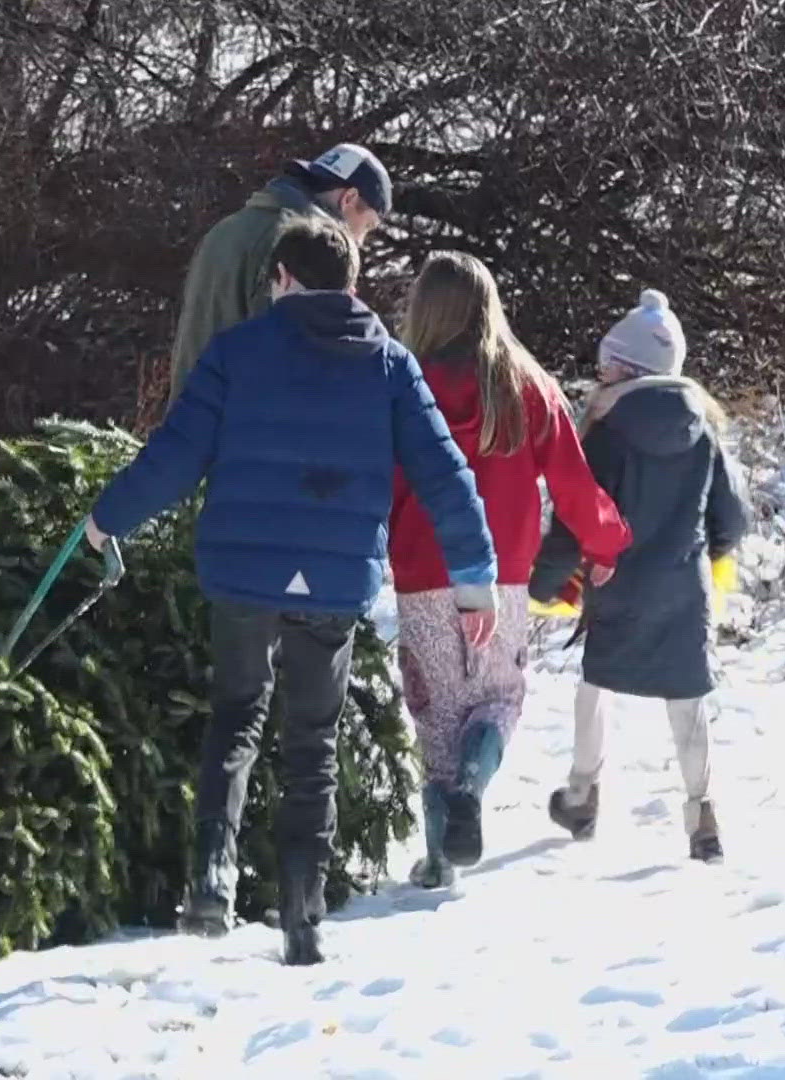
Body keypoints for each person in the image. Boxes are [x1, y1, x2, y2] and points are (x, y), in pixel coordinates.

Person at [84, 216, 499, 966]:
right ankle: (302, 922)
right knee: (312, 744)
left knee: (237, 719)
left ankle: (212, 880)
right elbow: (445, 477)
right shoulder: (391, 366)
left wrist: (106, 521)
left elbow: (175, 455)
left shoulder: (237, 353)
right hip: (335, 579)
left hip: (243, 577)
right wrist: (475, 582)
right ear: (350, 283)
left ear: (282, 279)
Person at [387, 252, 632, 889]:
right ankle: (473, 783)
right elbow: (575, 486)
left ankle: (440, 859)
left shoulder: (402, 383)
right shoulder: (526, 386)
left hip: (422, 575)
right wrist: (605, 544)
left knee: (434, 715)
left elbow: (376, 480)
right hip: (505, 580)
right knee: (498, 699)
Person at [532, 289, 748, 863]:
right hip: (683, 584)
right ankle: (702, 815)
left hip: (616, 582)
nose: (599, 370)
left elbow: (580, 517)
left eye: (608, 360)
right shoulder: (704, 430)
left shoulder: (606, 431)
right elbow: (732, 517)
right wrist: (701, 554)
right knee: (687, 697)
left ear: (629, 367)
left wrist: (545, 580)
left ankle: (582, 794)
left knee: (595, 684)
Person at [168, 143, 392, 399]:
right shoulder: (308, 247)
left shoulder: (226, 229)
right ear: (349, 198)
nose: (362, 241)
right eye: (369, 226)